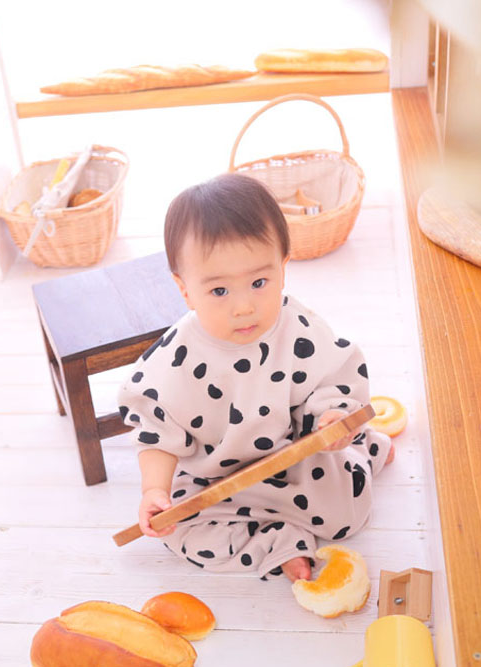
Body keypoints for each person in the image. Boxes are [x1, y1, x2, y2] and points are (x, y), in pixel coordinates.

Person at [117, 173, 392, 582]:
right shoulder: (172, 360)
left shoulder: (296, 325)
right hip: (217, 480)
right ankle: (279, 542)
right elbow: (156, 432)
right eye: (219, 292)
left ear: (283, 268)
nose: (244, 307)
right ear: (184, 289)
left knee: (347, 516)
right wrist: (154, 491)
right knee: (182, 535)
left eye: (259, 283)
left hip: (294, 458)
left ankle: (362, 451)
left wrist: (333, 418)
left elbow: (330, 377)